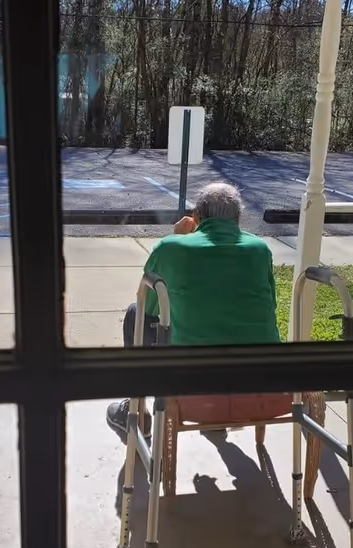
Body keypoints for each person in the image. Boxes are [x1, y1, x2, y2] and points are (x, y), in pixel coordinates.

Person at [106, 182, 280, 435]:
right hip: (262, 383)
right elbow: (270, 304)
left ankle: (137, 412)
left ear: (197, 216)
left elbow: (149, 307)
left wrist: (177, 237)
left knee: (136, 313)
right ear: (238, 218)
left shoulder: (171, 248)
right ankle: (218, 418)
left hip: (193, 384)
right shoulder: (260, 250)